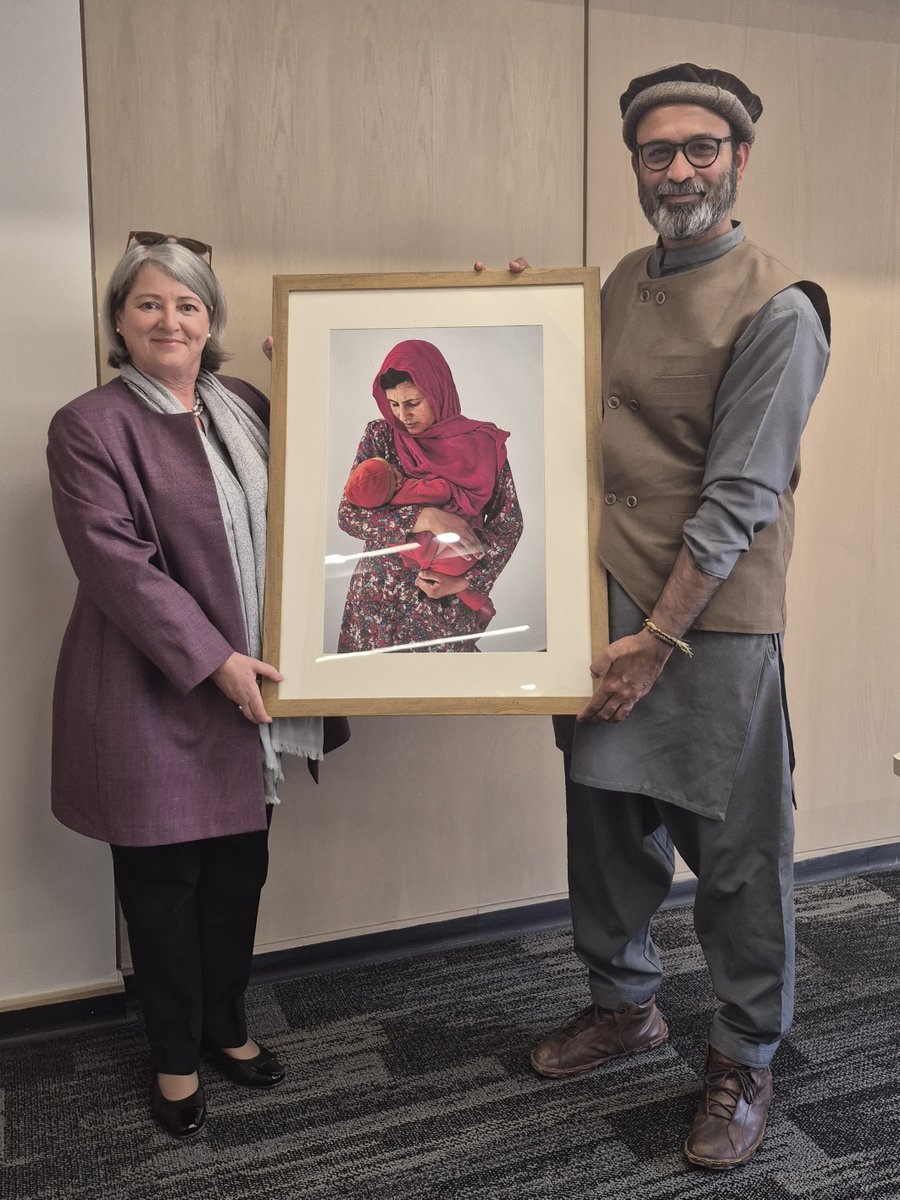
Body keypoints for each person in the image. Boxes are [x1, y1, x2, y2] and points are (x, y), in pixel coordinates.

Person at [488, 63, 830, 1170]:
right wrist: (487, 322)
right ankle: (625, 1003)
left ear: (738, 159)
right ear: (635, 165)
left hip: (708, 621)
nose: (677, 168)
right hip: (603, 600)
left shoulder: (780, 304)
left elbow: (738, 498)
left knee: (738, 856)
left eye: (700, 149)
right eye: (655, 151)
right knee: (604, 825)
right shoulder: (624, 277)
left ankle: (742, 1058)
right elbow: (554, 409)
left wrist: (659, 639)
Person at [47, 232, 349, 1138]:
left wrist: (324, 365)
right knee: (162, 885)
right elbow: (117, 567)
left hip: (256, 693)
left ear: (209, 320)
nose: (168, 319)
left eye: (186, 304)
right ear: (118, 322)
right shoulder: (88, 425)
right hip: (154, 690)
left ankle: (225, 1026)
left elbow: (333, 490)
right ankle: (175, 1057)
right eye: (147, 303)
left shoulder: (248, 404)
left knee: (237, 875)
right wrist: (214, 660)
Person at [336, 339, 523, 652]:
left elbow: (509, 523)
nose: (403, 415)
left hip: (442, 608)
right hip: (379, 603)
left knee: (447, 697)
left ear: (438, 392)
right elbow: (349, 515)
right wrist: (427, 518)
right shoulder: (381, 436)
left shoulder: (482, 445)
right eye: (393, 404)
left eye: (413, 403)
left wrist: (467, 582)